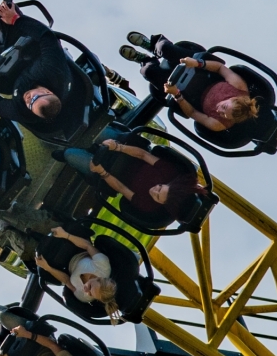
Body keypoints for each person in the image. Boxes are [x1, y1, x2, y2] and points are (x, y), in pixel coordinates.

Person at [53, 132, 207, 224]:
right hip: (126, 152)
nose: (154, 191)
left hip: (113, 174)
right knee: (98, 131)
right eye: (160, 187)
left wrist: (102, 172)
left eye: (157, 196)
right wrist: (117, 147)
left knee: (71, 155)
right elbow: (144, 155)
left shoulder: (148, 206)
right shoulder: (169, 172)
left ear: (162, 204)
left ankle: (65, 153)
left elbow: (121, 188)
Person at [0, 1, 72, 127]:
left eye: (30, 105)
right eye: (34, 98)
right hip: (27, 50)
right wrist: (15, 20)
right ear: (47, 91)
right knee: (6, 8)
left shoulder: (23, 112)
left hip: (10, 78)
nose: (28, 100)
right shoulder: (54, 70)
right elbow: (47, 37)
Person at [119, 32, 259, 132]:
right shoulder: (239, 87)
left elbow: (192, 113)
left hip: (187, 95)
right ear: (233, 98)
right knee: (165, 48)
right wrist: (197, 63)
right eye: (224, 107)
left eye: (223, 114)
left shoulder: (219, 124)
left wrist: (177, 95)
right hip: (202, 72)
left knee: (149, 72)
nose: (218, 110)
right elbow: (220, 68)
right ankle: (152, 45)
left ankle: (144, 60)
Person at [35, 226, 120, 324]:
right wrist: (65, 235)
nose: (86, 290)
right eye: (90, 286)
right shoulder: (103, 266)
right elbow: (87, 245)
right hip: (75, 247)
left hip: (63, 265)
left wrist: (47, 267)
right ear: (99, 278)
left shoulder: (84, 297)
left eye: (91, 294)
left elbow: (66, 280)